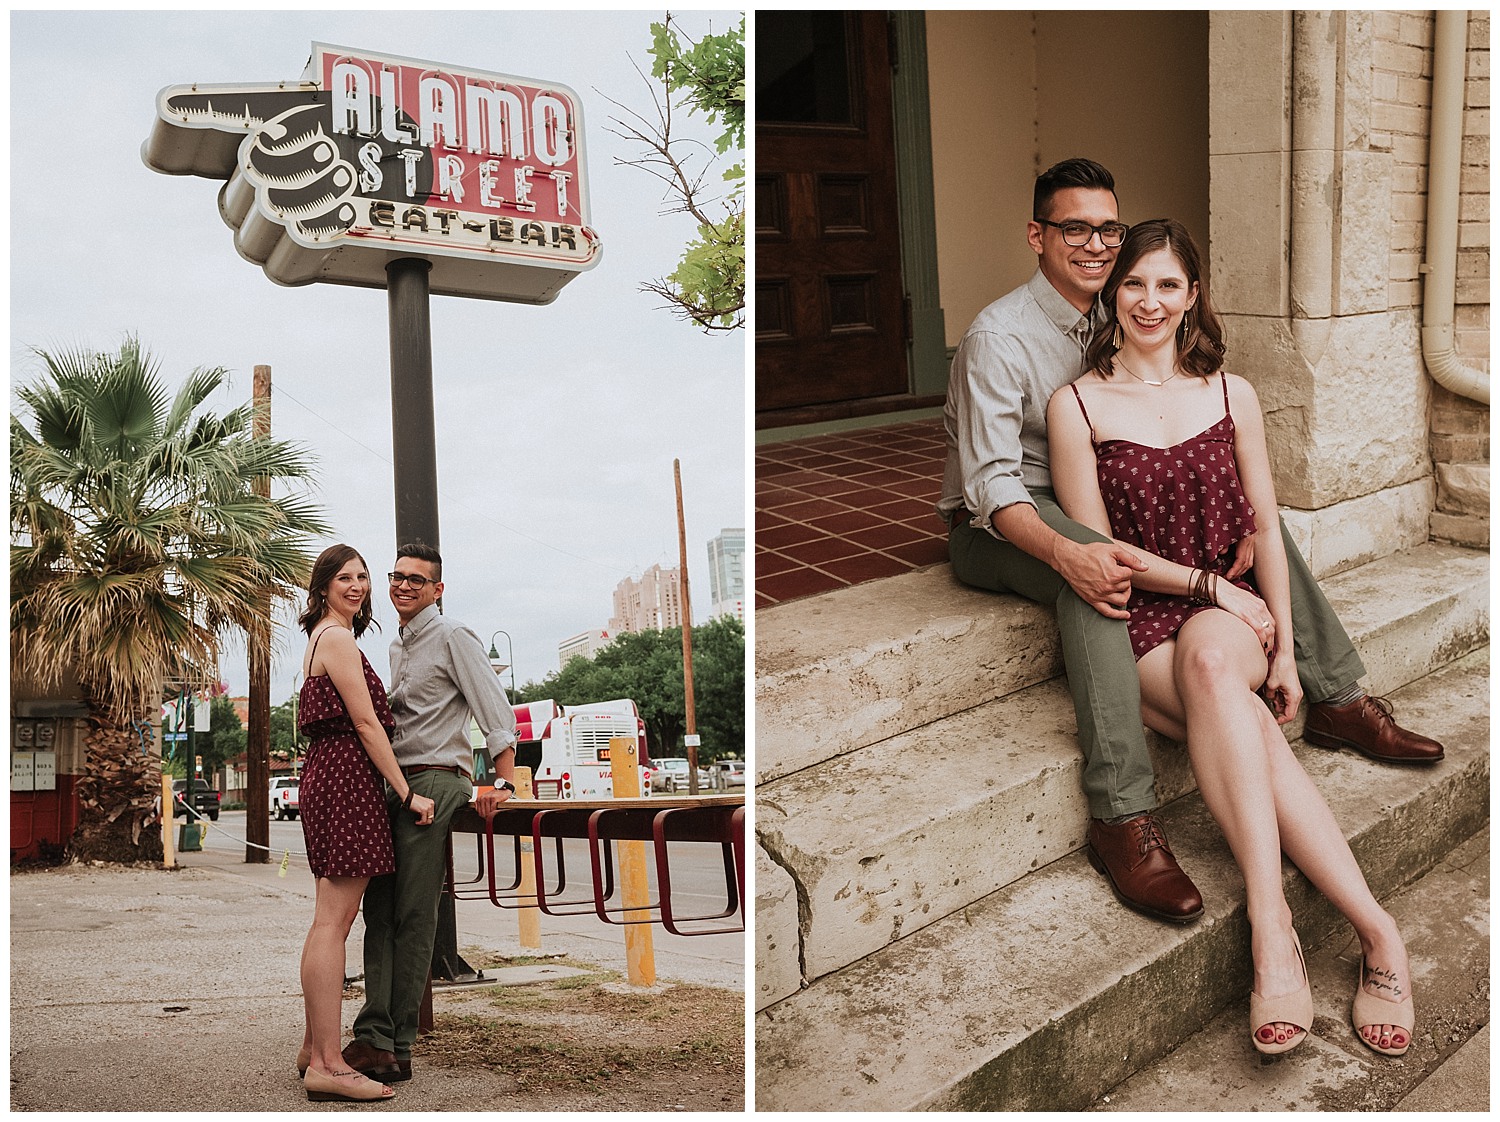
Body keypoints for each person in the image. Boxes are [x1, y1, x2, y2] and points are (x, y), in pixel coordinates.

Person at [936, 157, 1443, 927]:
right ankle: (1121, 816)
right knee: (1096, 573)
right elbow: (992, 490)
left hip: (1100, 494)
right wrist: (1073, 553)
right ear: (1037, 236)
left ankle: (1337, 696)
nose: (1095, 243)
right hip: (999, 521)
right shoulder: (998, 338)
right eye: (1074, 227)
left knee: (1249, 524)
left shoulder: (1116, 313)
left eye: (1108, 228)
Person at [1045, 217, 1414, 1056]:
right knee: (1238, 715)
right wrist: (1207, 582)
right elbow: (1106, 553)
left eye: (1168, 284)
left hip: (1229, 620)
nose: (1149, 300)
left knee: (1218, 663)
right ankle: (1376, 931)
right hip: (1143, 618)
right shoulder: (1075, 405)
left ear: (1193, 295)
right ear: (1113, 291)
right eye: (1134, 282)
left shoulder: (1229, 393)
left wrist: (1285, 649)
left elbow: (1267, 524)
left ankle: (1271, 928)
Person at [341, 542, 518, 1084]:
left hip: (438, 781)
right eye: (396, 577)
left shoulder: (453, 635)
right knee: (380, 910)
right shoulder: (397, 645)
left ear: (437, 589)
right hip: (395, 784)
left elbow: (495, 710)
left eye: (417, 580)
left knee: (415, 912)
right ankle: (377, 1038)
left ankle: (393, 1041)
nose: (403, 586)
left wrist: (502, 779)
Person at [293, 544, 437, 1103]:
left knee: (327, 917)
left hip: (331, 778)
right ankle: (329, 1064)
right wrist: (408, 794)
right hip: (348, 781)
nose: (356, 586)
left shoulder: (324, 638)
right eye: (343, 577)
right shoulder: (336, 638)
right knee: (334, 921)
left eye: (362, 577)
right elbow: (367, 724)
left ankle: (314, 1047)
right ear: (323, 585)